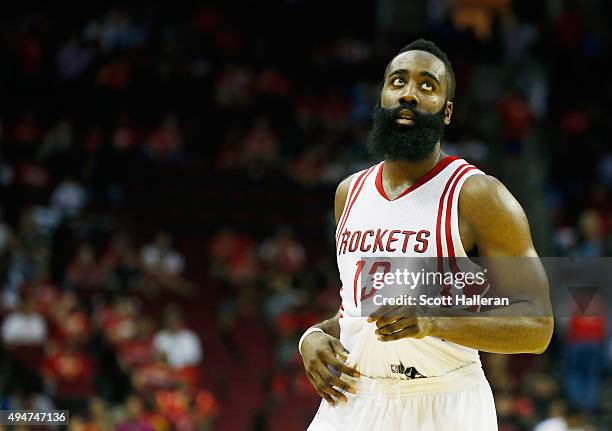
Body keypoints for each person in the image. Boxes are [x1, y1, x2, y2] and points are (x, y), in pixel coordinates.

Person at [299, 39, 554, 430]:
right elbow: (358, 312)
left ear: (447, 111)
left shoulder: (479, 196)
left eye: (427, 85)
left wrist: (436, 321)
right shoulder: (348, 193)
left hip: (444, 403)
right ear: (382, 97)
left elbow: (537, 329)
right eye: (397, 82)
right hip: (355, 399)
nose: (409, 94)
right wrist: (314, 336)